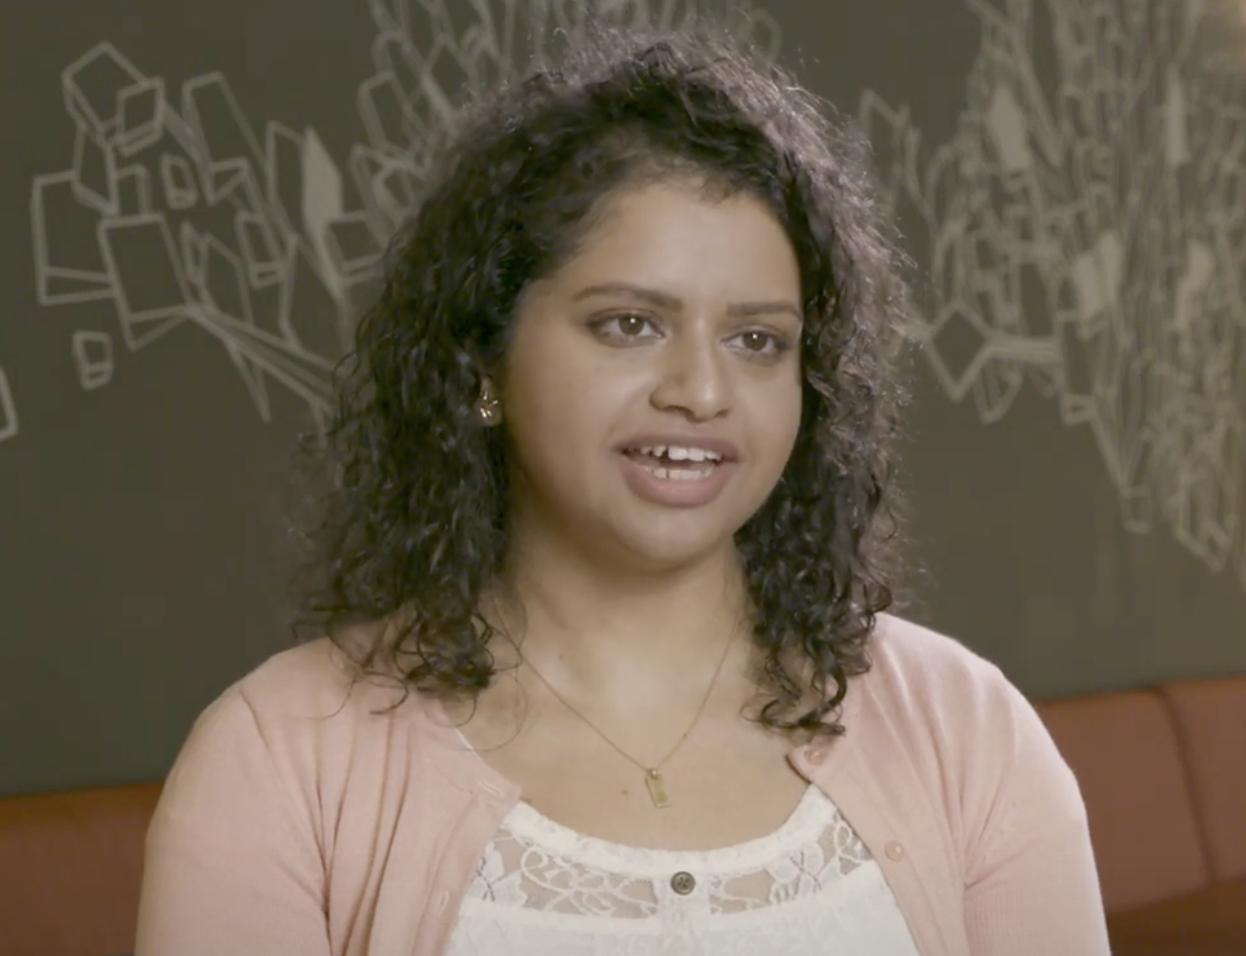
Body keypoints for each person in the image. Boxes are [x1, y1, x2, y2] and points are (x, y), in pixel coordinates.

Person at [133, 23, 1111, 956]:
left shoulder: (964, 730)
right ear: (482, 362)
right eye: (627, 323)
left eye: (757, 339)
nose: (700, 389)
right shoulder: (280, 757)